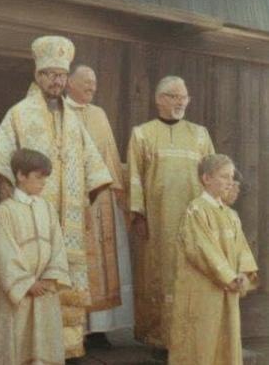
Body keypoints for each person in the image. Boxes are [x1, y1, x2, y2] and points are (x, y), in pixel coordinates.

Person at [0, 36, 112, 360]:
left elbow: (93, 166)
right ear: (38, 75)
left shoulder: (73, 119)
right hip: (27, 218)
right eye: (50, 74)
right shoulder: (18, 113)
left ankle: (62, 350)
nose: (56, 81)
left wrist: (86, 205)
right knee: (29, 283)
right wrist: (9, 206)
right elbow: (1, 164)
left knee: (61, 278)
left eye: (61, 75)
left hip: (66, 221)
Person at [127, 75, 215, 350]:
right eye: (174, 96)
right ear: (158, 99)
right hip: (158, 220)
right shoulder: (142, 133)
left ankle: (191, 340)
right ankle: (159, 340)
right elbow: (134, 177)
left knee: (193, 274)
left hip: (194, 220)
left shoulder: (200, 134)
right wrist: (138, 214)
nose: (180, 101)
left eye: (184, 96)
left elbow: (213, 174)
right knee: (159, 275)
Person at [66, 65, 134, 348]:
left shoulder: (99, 114)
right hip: (72, 200)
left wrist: (119, 193)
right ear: (70, 82)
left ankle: (99, 330)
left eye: (94, 83)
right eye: (86, 82)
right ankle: (75, 329)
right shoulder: (60, 111)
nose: (92, 88)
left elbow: (110, 153)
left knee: (104, 266)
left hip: (102, 200)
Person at [169, 154, 258, 365]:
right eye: (224, 177)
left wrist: (245, 275)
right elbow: (201, 249)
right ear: (206, 178)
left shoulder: (230, 215)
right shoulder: (196, 210)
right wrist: (229, 277)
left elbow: (242, 250)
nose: (230, 182)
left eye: (232, 177)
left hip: (228, 291)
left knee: (226, 342)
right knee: (202, 342)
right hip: (203, 291)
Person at [0, 148, 71, 365]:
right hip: (19, 293)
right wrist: (26, 283)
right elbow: (3, 253)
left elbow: (58, 247)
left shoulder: (47, 208)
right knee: (18, 343)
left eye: (45, 177)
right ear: (20, 175)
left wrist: (50, 277)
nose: (43, 182)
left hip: (44, 289)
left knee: (43, 345)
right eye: (38, 177)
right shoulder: (6, 210)